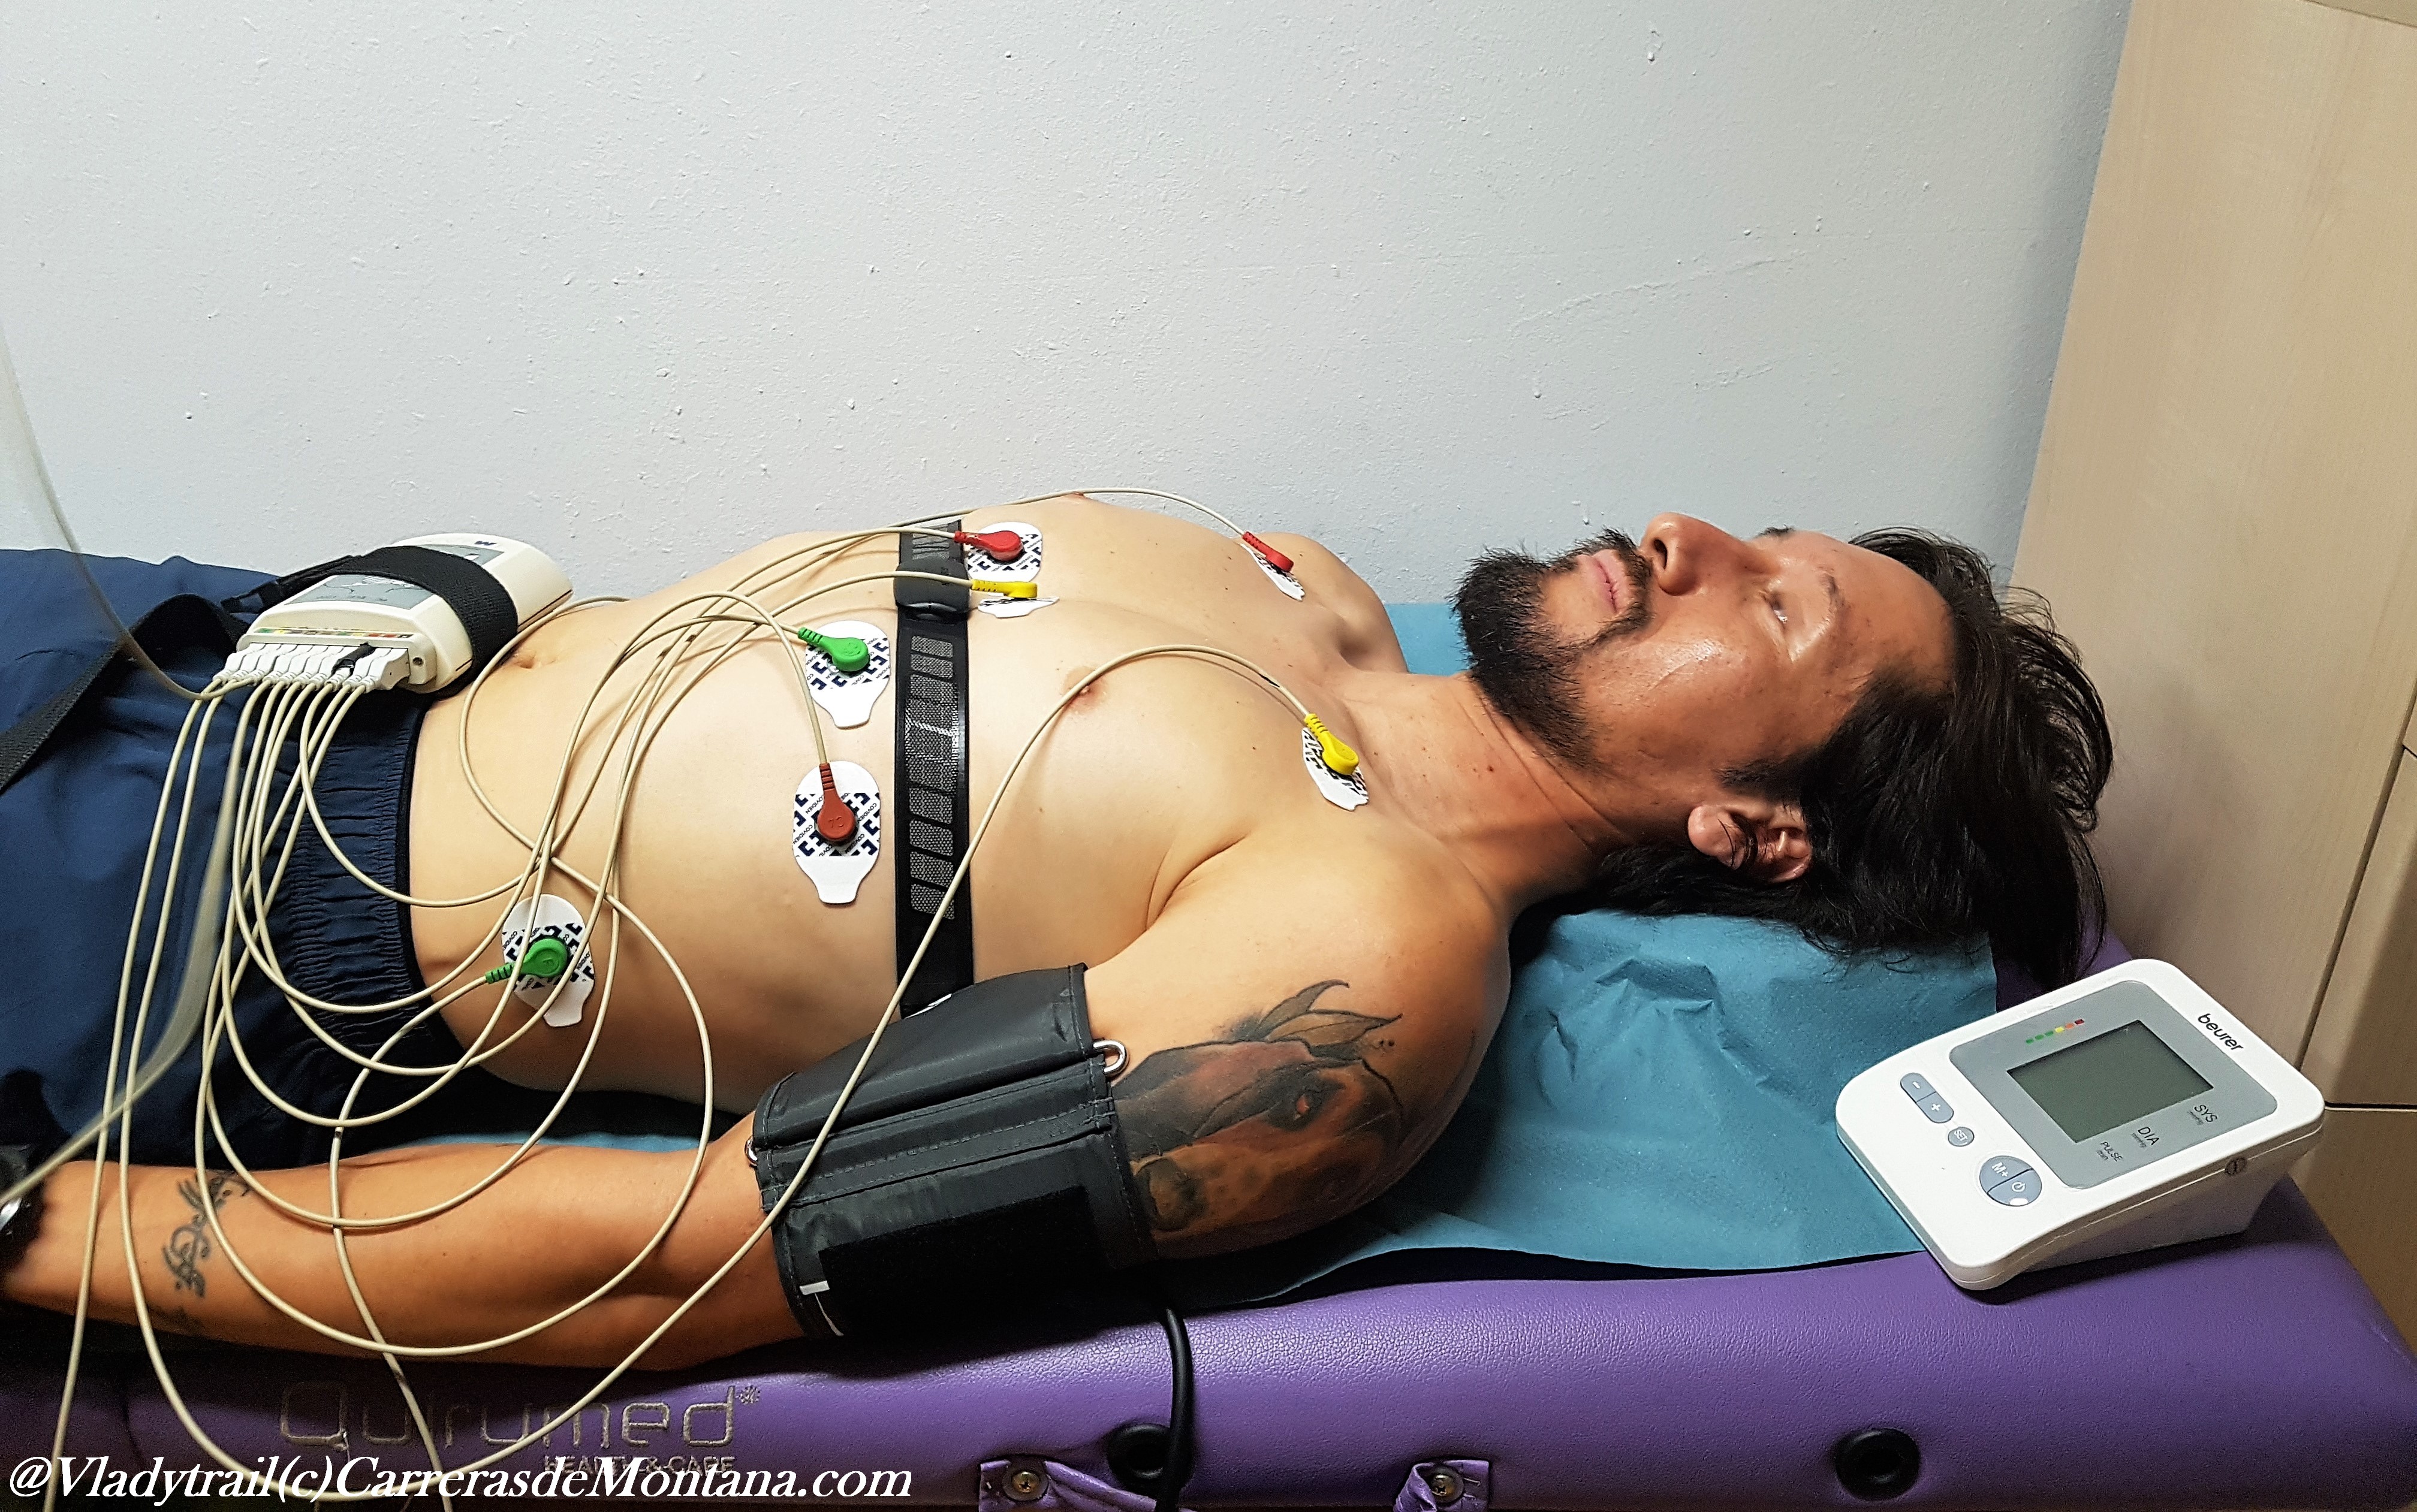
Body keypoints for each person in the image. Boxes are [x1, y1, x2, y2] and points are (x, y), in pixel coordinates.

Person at [0, 494, 2110, 1366]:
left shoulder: (1366, 963)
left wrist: (35, 1232)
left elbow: (702, 1246)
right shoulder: (1299, 586)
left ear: (1756, 833)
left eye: (1775, 605)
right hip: (188, 647)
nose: (1693, 532)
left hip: (194, 933)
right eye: (1758, 527)